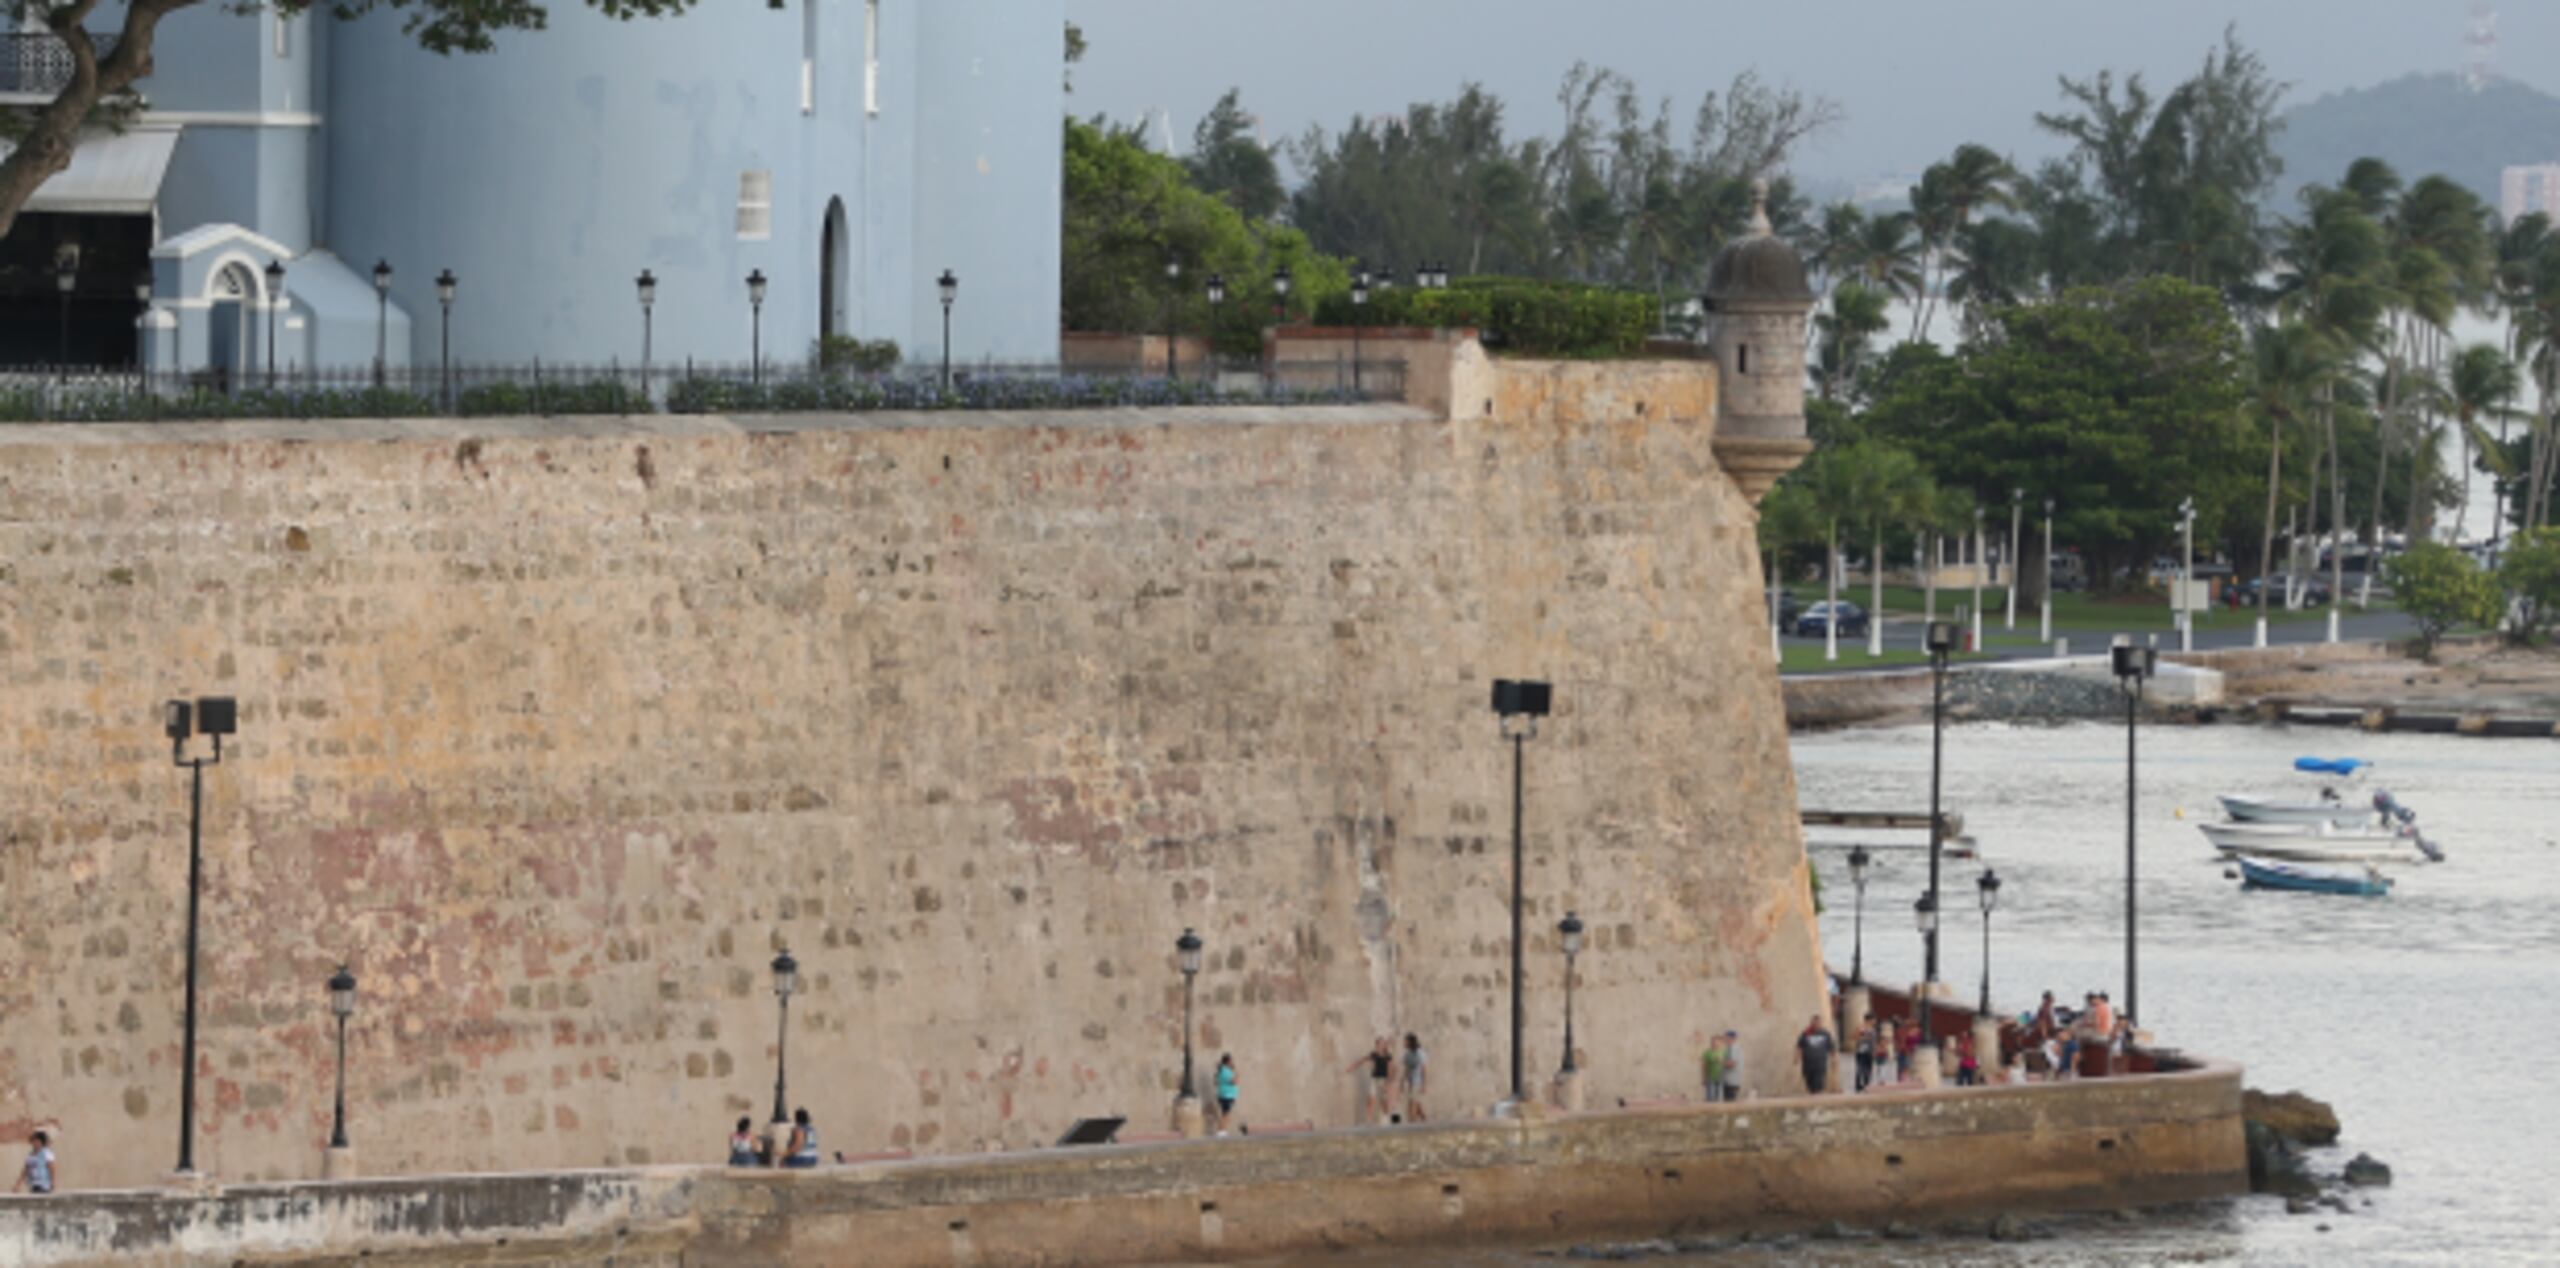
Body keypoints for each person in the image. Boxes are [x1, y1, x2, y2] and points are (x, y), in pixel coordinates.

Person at [1345, 1038, 1394, 1125]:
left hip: (1383, 1080)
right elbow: (1362, 1060)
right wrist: (1352, 1067)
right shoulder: (1373, 1054)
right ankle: (1368, 1120)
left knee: (1384, 1101)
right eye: (1379, 1044)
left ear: (1384, 1045)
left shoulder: (1388, 1056)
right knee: (1371, 1099)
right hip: (1374, 1079)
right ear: (1376, 1045)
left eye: (1382, 1044)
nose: (1380, 1046)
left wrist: (1388, 1082)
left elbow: (1390, 1069)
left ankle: (1386, 1118)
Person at [1795, 1015, 1835, 1094]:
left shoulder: (1825, 1034)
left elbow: (1831, 1047)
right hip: (1808, 1062)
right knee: (1809, 1082)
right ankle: (1813, 1096)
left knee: (1818, 1082)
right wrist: (1797, 1057)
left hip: (1820, 1062)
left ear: (1821, 1023)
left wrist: (1834, 1060)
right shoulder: (1806, 1033)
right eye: (1814, 1023)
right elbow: (1799, 1046)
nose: (1816, 1024)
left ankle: (1817, 1097)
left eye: (1818, 1023)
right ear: (1811, 1023)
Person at [1401, 1033, 1430, 1123]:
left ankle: (1412, 1122)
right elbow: (1406, 1069)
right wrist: (1401, 1082)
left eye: (1405, 1041)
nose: (1403, 1042)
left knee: (1412, 1103)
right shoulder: (1407, 1054)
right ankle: (1424, 1119)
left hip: (1417, 1082)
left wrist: (1424, 1085)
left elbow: (1424, 1070)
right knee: (1415, 1102)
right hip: (1411, 1082)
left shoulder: (1420, 1053)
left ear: (1410, 1042)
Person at [14, 1131, 54, 1195]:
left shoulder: (46, 1153)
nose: (35, 1143)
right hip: (33, 1184)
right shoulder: (30, 1155)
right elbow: (25, 1170)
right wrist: (18, 1184)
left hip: (44, 1185)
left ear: (42, 1142)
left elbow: (51, 1168)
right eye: (33, 1141)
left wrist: (53, 1182)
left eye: (37, 1141)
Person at [1213, 1054, 1239, 1135]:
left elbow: (1216, 1082)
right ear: (1228, 1061)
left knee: (1226, 1114)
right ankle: (1220, 1130)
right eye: (1231, 1060)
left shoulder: (1223, 1071)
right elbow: (1234, 1082)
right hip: (1226, 1095)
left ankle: (1222, 1130)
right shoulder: (1225, 1071)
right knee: (1226, 1114)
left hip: (1226, 1095)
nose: (1232, 1062)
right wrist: (1236, 1074)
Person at [1853, 1016, 1877, 1092]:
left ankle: (1867, 1085)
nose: (1875, 1021)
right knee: (1860, 1068)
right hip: (1861, 1051)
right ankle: (1858, 1086)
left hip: (1869, 1051)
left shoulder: (1873, 1029)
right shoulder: (1861, 1028)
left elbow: (1873, 1042)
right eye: (1874, 1020)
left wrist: (1874, 1051)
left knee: (1869, 1069)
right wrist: (1864, 1037)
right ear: (1870, 1020)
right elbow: (1854, 1037)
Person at [1700, 1033, 1727, 1103]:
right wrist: (1704, 1078)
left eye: (1716, 1041)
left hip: (1721, 1077)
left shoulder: (1724, 1052)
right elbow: (1703, 1066)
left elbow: (1727, 1065)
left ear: (1720, 1042)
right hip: (1710, 1077)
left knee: (1719, 1097)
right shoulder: (1707, 1053)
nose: (1714, 1043)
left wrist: (1721, 1061)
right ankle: (1709, 1111)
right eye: (1713, 1041)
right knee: (1710, 1096)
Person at [1719, 1031, 1743, 1103]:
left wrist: (1719, 1062)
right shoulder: (1727, 1049)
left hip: (1732, 1081)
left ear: (1732, 1039)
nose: (1724, 1040)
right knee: (1726, 1101)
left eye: (1726, 1038)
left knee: (1731, 1102)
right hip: (1726, 1080)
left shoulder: (1735, 1049)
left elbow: (1732, 1064)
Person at [1877, 1019, 1898, 1086]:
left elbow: (1890, 1042)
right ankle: (1882, 1080)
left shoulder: (1883, 1042)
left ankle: (1882, 1080)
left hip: (1882, 1056)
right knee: (1881, 1068)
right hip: (1880, 1056)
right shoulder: (1880, 1043)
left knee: (1882, 1068)